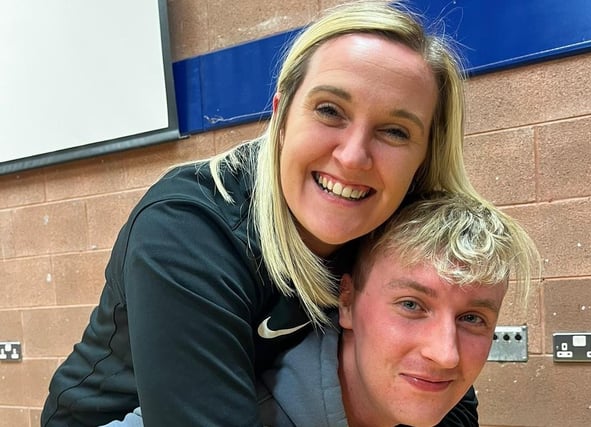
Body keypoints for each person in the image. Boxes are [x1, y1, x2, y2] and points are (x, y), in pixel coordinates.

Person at [41, 1, 485, 426]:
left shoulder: (396, 225)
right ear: (281, 117)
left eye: (394, 131)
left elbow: (448, 398)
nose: (353, 157)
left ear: (424, 156)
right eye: (330, 111)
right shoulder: (187, 229)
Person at [104, 192, 539, 426]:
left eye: (472, 318)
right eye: (411, 305)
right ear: (345, 301)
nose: (446, 354)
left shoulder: (437, 414)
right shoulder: (215, 406)